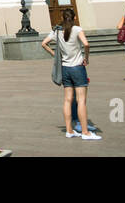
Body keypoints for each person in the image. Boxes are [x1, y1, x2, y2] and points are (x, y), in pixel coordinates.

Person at [42, 8, 100, 140]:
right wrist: (87, 58)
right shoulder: (77, 29)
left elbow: (43, 43)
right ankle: (85, 132)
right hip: (78, 68)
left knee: (68, 100)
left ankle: (69, 130)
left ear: (63, 18)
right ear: (74, 18)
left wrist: (56, 55)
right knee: (81, 101)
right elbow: (86, 44)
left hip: (65, 68)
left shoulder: (57, 31)